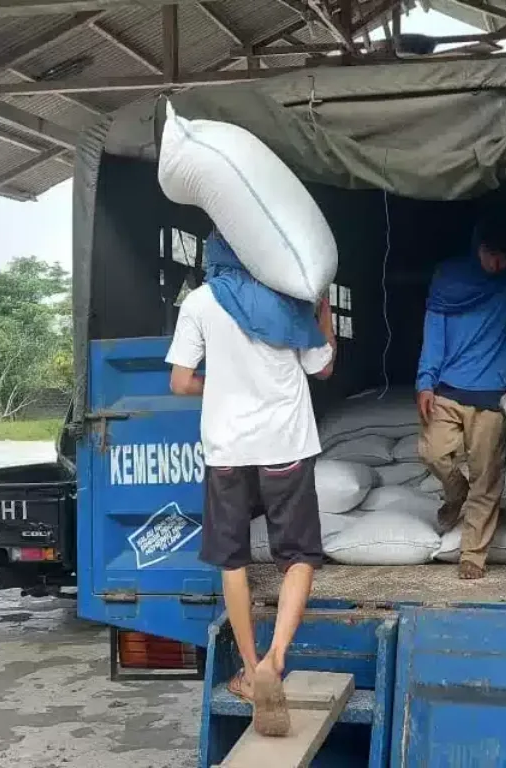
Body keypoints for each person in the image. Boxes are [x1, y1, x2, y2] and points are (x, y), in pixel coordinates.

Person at [166, 231, 335, 737]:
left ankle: (248, 665)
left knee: (233, 559)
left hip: (227, 452)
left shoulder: (199, 302)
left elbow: (179, 382)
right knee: (299, 555)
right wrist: (323, 311)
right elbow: (323, 367)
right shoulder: (286, 301)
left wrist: (218, 385)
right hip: (284, 444)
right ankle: (277, 660)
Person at [416, 215, 506, 580]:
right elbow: (434, 332)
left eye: (505, 257)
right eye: (491, 255)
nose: (497, 264)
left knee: (487, 475)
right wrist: (426, 380)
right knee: (432, 453)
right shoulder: (448, 278)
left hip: (495, 394)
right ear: (477, 247)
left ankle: (473, 554)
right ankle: (456, 496)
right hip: (448, 388)